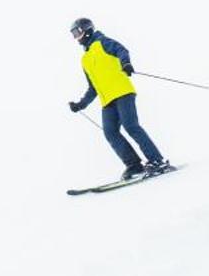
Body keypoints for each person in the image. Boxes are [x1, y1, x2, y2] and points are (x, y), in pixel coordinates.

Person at [66, 18, 169, 180]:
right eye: (73, 34)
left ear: (87, 30)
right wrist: (81, 104)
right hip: (107, 101)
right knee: (110, 132)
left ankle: (158, 161)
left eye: (77, 33)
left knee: (131, 126)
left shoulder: (102, 42)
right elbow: (93, 88)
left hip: (122, 92)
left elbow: (122, 50)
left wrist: (126, 63)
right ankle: (134, 165)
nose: (75, 37)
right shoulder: (84, 60)